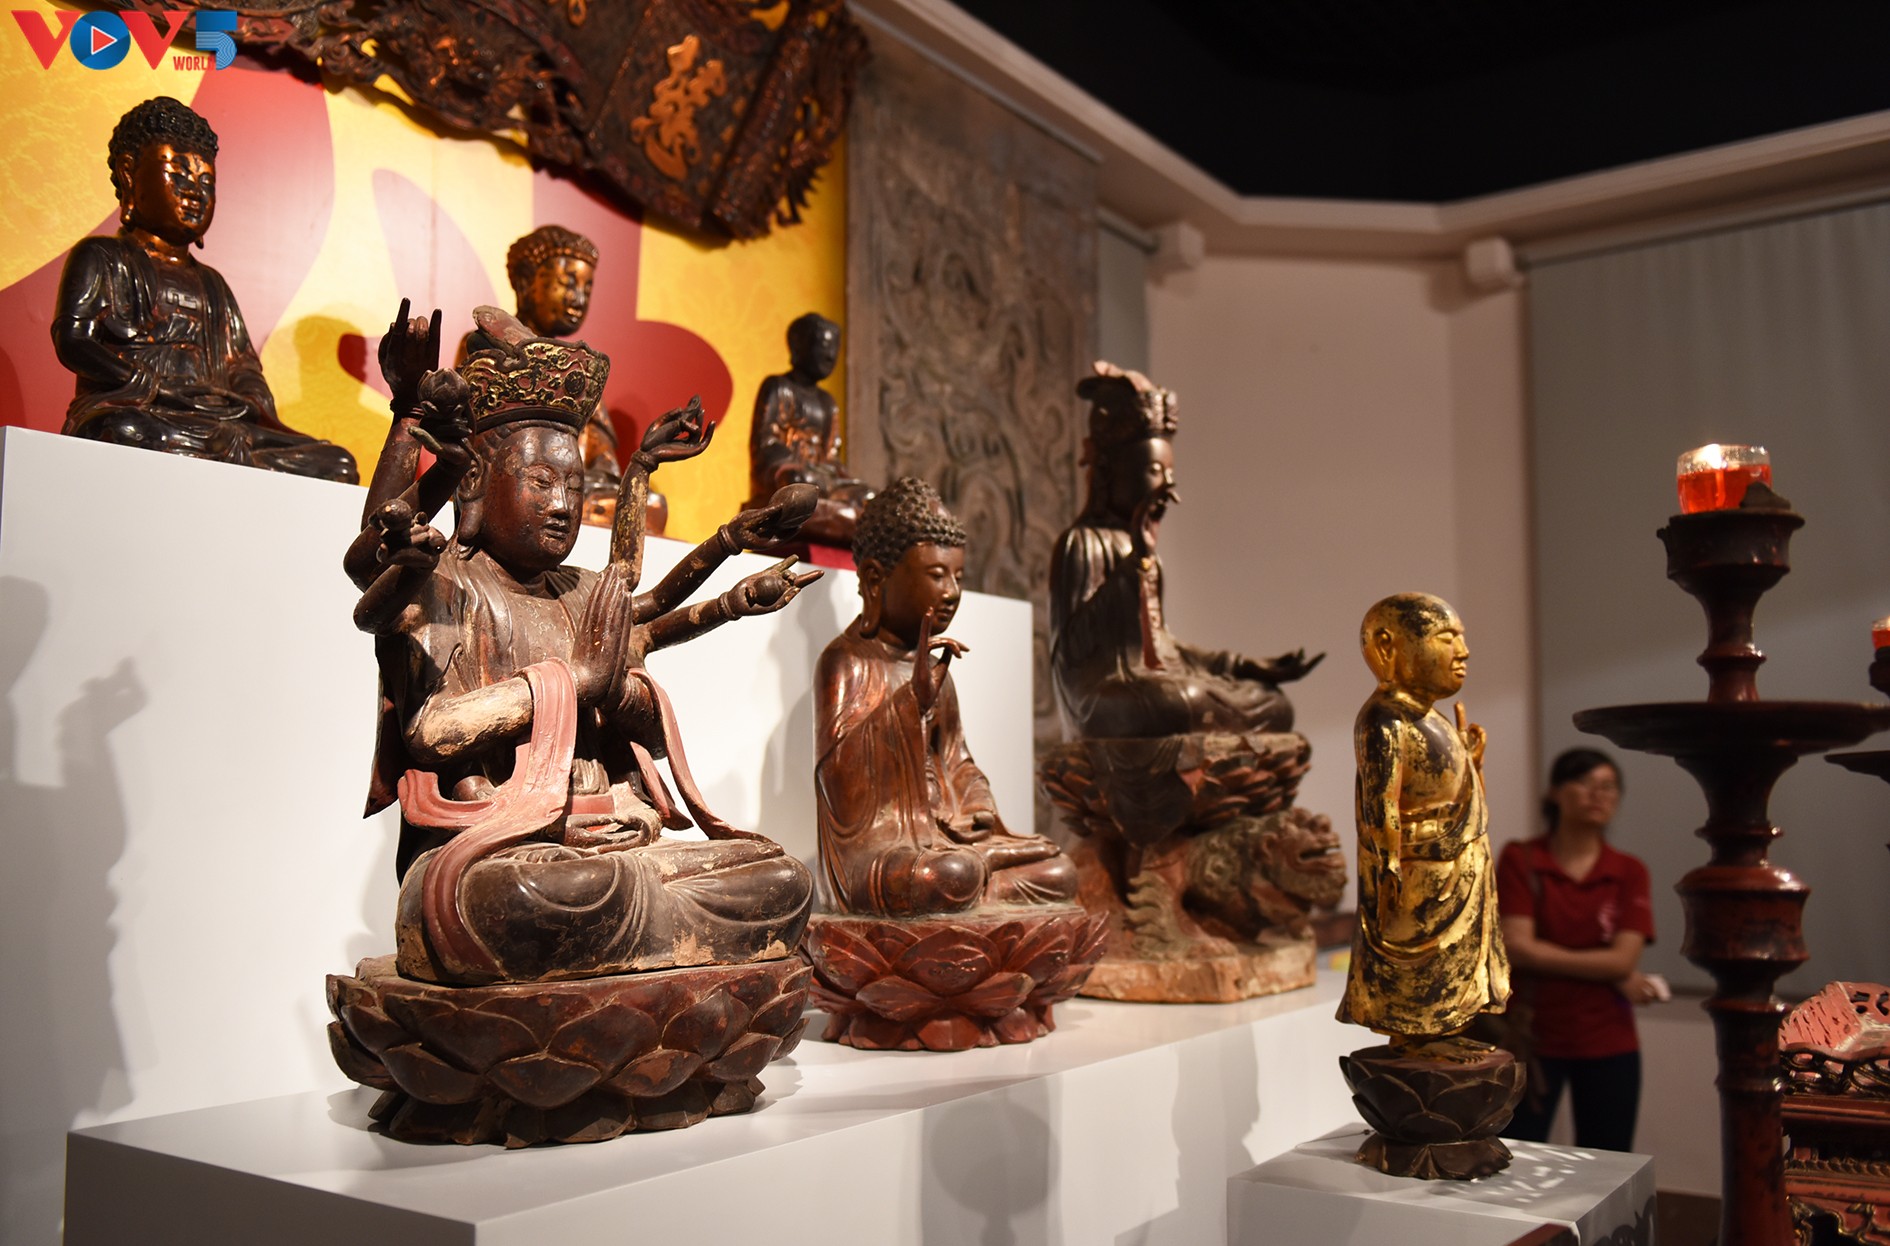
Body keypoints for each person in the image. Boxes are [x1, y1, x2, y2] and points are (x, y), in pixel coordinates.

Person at [351, 304, 820, 986]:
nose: (563, 504)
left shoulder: (579, 590)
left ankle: (637, 938)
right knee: (528, 898)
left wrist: (622, 730)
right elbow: (432, 731)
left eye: (574, 486)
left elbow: (643, 621)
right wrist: (571, 682)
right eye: (541, 482)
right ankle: (633, 940)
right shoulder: (447, 579)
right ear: (476, 482)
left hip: (610, 838)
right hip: (499, 848)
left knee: (778, 878)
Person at [52, 96, 357, 482]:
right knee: (125, 431)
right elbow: (73, 341)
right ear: (129, 174)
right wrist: (155, 387)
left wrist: (246, 401)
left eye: (206, 182)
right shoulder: (103, 256)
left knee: (336, 464)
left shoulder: (212, 284)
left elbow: (242, 367)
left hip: (216, 419)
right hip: (141, 407)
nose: (194, 192)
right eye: (178, 176)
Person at [814, 477, 1076, 915]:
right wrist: (908, 704)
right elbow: (838, 780)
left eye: (958, 576)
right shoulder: (846, 661)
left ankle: (980, 878)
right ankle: (977, 879)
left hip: (947, 836)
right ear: (876, 578)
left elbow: (957, 761)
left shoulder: (938, 671)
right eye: (936, 575)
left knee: (1058, 871)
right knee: (946, 875)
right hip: (882, 850)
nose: (952, 592)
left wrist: (977, 806)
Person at [1048, 362, 1319, 741]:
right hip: (1102, 695)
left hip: (1154, 680)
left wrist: (1241, 666)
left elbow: (1163, 646)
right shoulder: (1080, 543)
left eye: (1170, 473)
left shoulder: (1143, 552)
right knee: (1178, 700)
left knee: (1273, 703)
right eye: (1154, 470)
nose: (1168, 485)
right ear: (1111, 471)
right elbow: (1073, 650)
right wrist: (1135, 564)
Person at [1338, 592, 1510, 1056]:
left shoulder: (1432, 718)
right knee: (1418, 968)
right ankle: (1414, 1037)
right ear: (1388, 647)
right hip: (1420, 872)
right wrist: (1388, 863)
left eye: (1462, 638)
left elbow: (1462, 801)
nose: (1463, 651)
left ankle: (1438, 1036)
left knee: (1452, 968)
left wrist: (1472, 763)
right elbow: (1380, 801)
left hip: (1456, 865)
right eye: (1446, 637)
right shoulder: (1384, 719)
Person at [1498, 748, 1659, 1151]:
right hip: (1531, 1037)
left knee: (1607, 1159)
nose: (1598, 794)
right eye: (1585, 783)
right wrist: (1610, 971)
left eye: (1609, 786)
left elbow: (1624, 958)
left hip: (1608, 1039)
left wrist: (1615, 967)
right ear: (1555, 791)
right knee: (1518, 1155)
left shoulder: (1629, 870)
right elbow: (1517, 948)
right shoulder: (1522, 859)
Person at [747, 312, 872, 545]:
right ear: (799, 345)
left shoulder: (827, 402)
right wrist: (793, 465)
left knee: (868, 496)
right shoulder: (779, 387)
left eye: (834, 348)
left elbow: (831, 455)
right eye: (823, 346)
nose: (830, 355)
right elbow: (765, 443)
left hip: (820, 476)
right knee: (797, 482)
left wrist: (835, 474)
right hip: (790, 472)